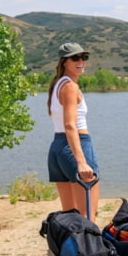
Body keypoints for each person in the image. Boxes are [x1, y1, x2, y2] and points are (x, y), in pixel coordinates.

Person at [47, 42, 100, 223]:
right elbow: (70, 125)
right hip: (76, 145)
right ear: (64, 62)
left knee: (70, 217)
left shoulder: (58, 84)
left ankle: (70, 251)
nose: (81, 61)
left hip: (58, 147)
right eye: (75, 58)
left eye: (84, 57)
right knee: (87, 217)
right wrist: (81, 161)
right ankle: (89, 251)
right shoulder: (70, 86)